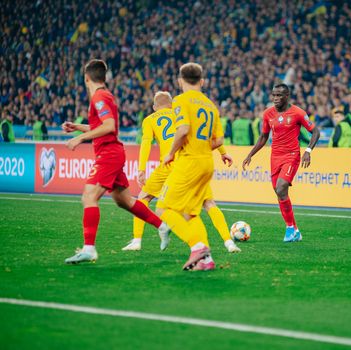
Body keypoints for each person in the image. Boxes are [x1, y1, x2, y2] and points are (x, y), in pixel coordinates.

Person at [61, 59, 169, 264]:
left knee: (89, 196)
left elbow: (109, 126)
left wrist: (80, 138)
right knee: (125, 201)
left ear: (86, 78)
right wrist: (78, 127)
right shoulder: (105, 96)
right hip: (113, 153)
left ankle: (89, 248)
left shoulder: (99, 97)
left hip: (108, 154)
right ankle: (162, 226)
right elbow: (101, 126)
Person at [122, 91, 241, 253]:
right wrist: (223, 152)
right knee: (208, 203)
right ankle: (229, 242)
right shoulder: (183, 114)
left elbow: (146, 143)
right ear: (171, 105)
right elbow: (207, 134)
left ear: (154, 106)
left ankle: (137, 240)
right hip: (188, 162)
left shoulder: (149, 120)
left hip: (167, 164)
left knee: (143, 198)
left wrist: (141, 169)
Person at [157, 62, 224, 271]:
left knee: (164, 209)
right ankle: (206, 260)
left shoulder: (180, 100)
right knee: (190, 213)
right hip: (207, 162)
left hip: (189, 162)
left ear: (179, 81)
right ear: (202, 81)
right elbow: (219, 140)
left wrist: (170, 152)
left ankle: (196, 247)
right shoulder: (211, 105)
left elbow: (183, 129)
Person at [242, 84, 320, 242]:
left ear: (287, 96)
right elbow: (263, 137)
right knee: (280, 193)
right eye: (274, 95)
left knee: (281, 187)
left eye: (279, 95)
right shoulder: (267, 114)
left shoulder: (298, 113)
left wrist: (308, 151)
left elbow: (315, 132)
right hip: (275, 157)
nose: (275, 99)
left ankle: (289, 228)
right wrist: (250, 154)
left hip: (291, 155)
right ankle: (295, 231)